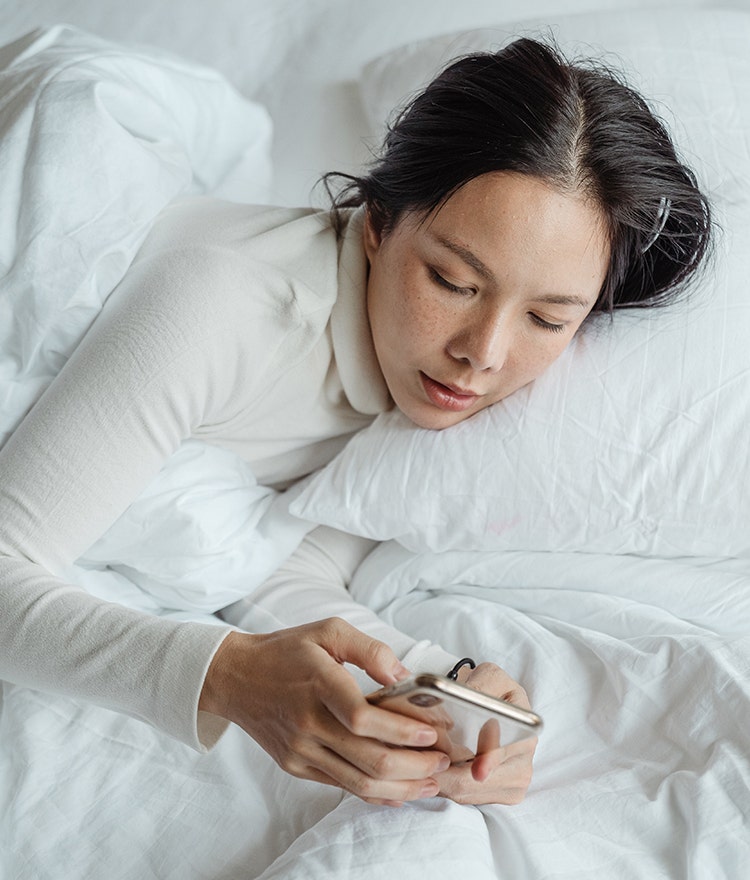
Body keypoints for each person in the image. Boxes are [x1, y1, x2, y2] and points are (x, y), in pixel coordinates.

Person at [0, 38, 711, 809]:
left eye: (547, 318)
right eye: (453, 280)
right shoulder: (226, 308)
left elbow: (277, 567)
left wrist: (440, 689)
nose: (482, 355)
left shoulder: (433, 409)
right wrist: (225, 675)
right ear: (376, 222)